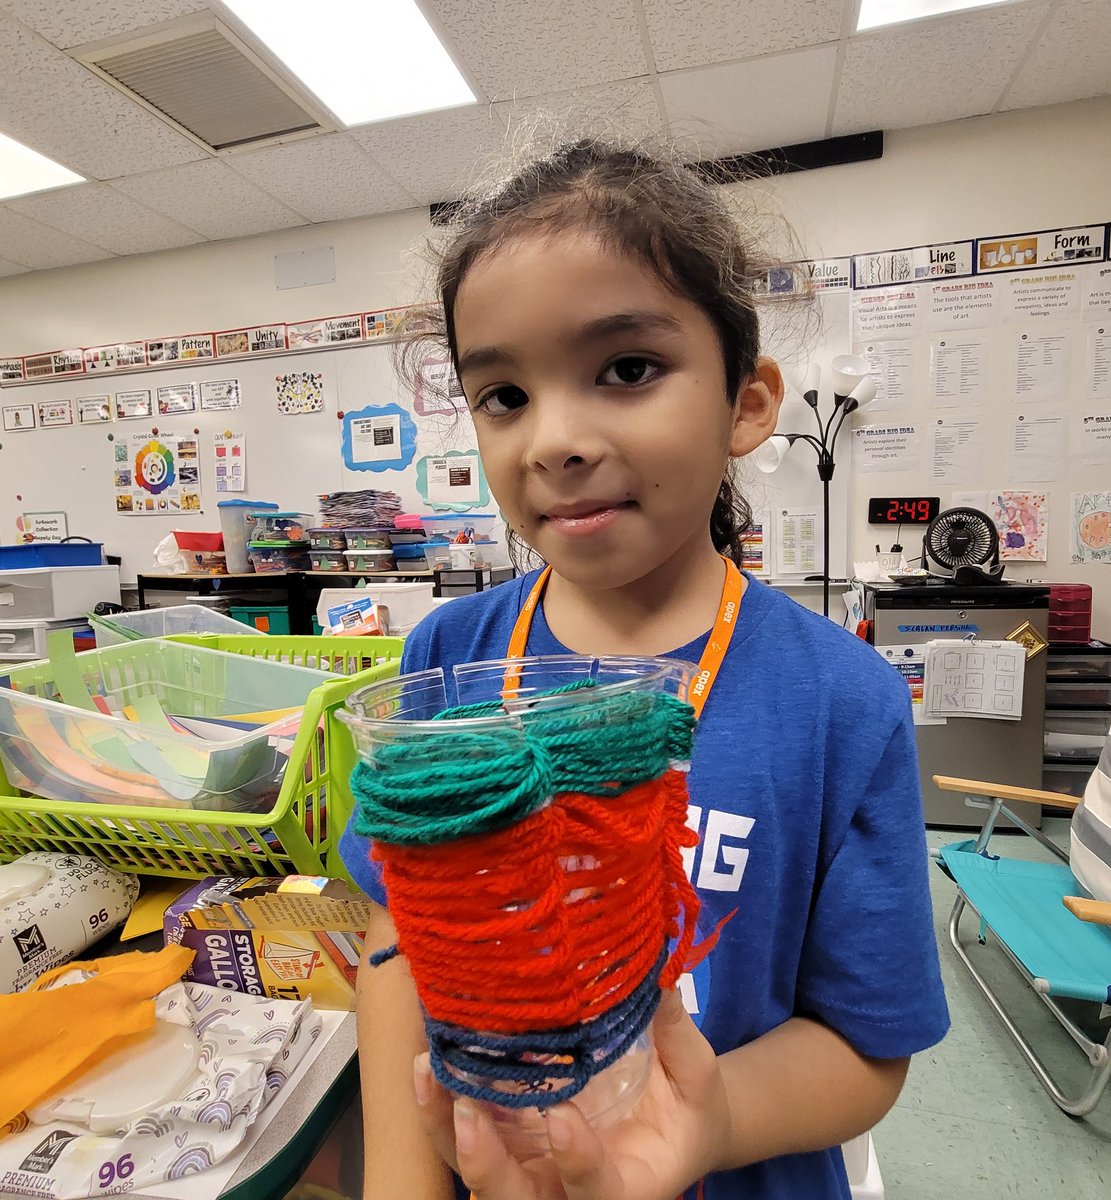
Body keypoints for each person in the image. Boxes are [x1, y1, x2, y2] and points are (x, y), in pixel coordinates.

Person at [339, 137, 950, 1200]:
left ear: (747, 405)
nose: (554, 439)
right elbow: (403, 937)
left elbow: (865, 1046)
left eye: (626, 370)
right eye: (504, 396)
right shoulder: (448, 659)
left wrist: (704, 1124)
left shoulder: (839, 700)